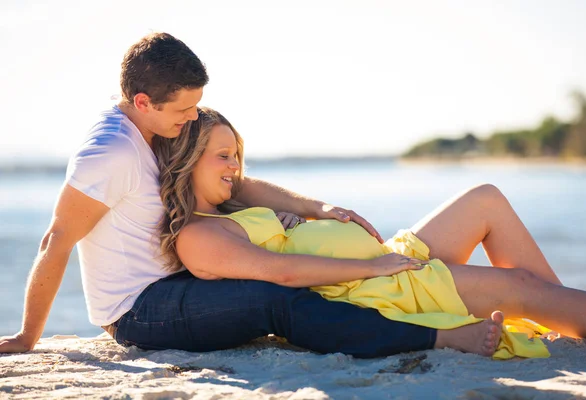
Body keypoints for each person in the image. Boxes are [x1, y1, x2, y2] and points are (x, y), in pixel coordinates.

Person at [0, 32, 482, 359]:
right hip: (139, 309)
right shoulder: (108, 154)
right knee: (273, 300)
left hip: (185, 275)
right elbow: (57, 240)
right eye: (185, 109)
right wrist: (27, 337)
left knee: (304, 273)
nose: (192, 118)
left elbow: (236, 183)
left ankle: (419, 306)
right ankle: (440, 337)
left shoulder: (157, 126)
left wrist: (311, 208)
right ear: (142, 101)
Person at [153, 106, 586, 359]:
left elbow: (254, 186)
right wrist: (372, 267)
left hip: (386, 261)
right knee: (518, 286)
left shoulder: (236, 198)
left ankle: (563, 314)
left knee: (485, 198)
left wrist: (319, 209)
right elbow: (283, 272)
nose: (235, 167)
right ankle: (562, 309)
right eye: (223, 157)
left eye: (237, 156)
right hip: (378, 287)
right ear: (187, 160)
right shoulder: (199, 236)